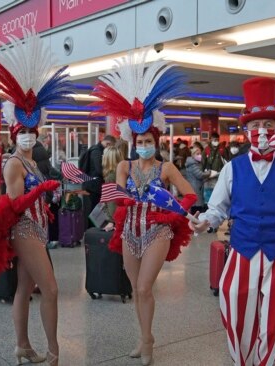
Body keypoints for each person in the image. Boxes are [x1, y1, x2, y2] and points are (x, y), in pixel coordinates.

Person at [190, 77, 275, 366]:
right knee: (235, 313)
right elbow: (217, 209)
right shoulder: (232, 168)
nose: (262, 131)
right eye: (255, 125)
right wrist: (204, 223)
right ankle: (242, 361)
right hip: (241, 251)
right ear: (246, 130)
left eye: (268, 125)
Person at [0, 31, 72, 366]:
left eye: (31, 133)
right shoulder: (13, 162)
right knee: (51, 290)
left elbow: (38, 198)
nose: (28, 137)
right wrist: (40, 191)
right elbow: (14, 206)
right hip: (25, 230)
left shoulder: (31, 161)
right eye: (22, 133)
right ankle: (54, 352)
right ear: (15, 134)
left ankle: (22, 345)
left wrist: (50, 193)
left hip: (39, 228)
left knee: (25, 290)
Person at [92, 52, 197, 366]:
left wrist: (169, 212)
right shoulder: (124, 165)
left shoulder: (167, 168)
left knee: (143, 286)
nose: (144, 144)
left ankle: (148, 342)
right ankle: (143, 337)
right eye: (140, 140)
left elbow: (190, 195)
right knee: (135, 290)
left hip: (157, 231)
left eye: (149, 140)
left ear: (157, 139)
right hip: (129, 231)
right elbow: (118, 196)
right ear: (132, 140)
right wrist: (116, 207)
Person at [79, 134, 116, 226]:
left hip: (91, 185)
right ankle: (91, 232)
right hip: (93, 187)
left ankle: (93, 230)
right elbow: (100, 170)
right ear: (108, 143)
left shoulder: (95, 149)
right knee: (93, 211)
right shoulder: (97, 152)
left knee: (94, 210)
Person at [185, 142, 215, 214]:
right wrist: (209, 173)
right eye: (197, 154)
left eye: (200, 154)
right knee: (196, 207)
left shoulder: (196, 163)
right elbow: (200, 175)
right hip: (195, 188)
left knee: (197, 206)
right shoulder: (192, 164)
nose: (200, 155)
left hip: (197, 187)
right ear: (193, 155)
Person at [101, 146, 124, 231]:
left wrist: (111, 220)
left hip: (116, 219)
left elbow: (111, 201)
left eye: (104, 155)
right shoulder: (122, 173)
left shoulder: (110, 177)